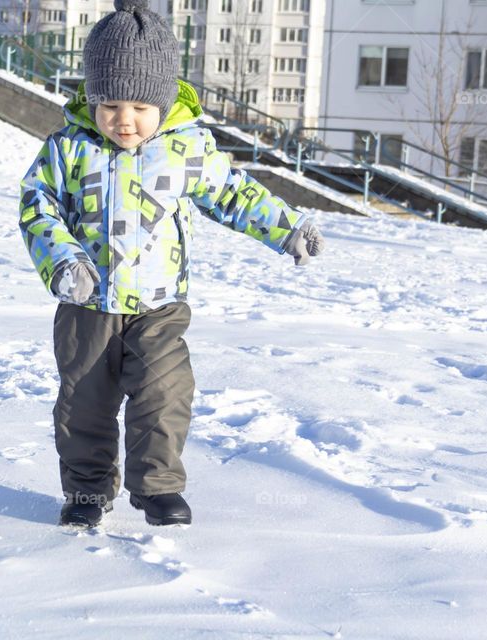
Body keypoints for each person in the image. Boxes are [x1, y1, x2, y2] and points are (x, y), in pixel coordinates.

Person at [18, 0, 325, 527]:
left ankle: (158, 488)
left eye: (139, 106)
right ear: (92, 98)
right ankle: (87, 493)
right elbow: (37, 207)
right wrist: (63, 262)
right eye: (110, 104)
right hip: (86, 305)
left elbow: (233, 194)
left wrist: (287, 227)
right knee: (83, 406)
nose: (124, 120)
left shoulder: (186, 149)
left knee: (165, 393)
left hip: (160, 306)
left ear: (162, 101)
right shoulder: (68, 148)